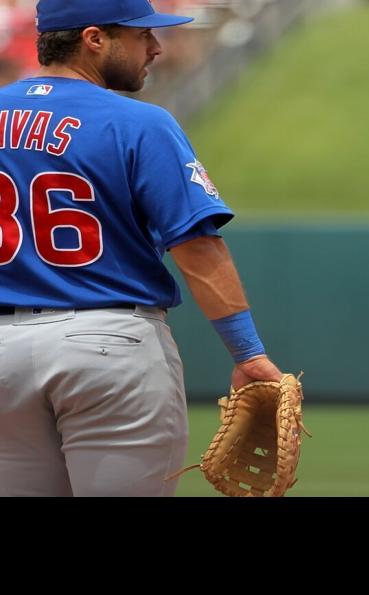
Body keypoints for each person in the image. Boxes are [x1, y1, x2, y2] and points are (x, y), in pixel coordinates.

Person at [0, 0, 283, 497]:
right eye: (140, 35)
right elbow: (196, 247)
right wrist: (248, 353)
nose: (155, 47)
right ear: (93, 38)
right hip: (109, 346)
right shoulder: (139, 123)